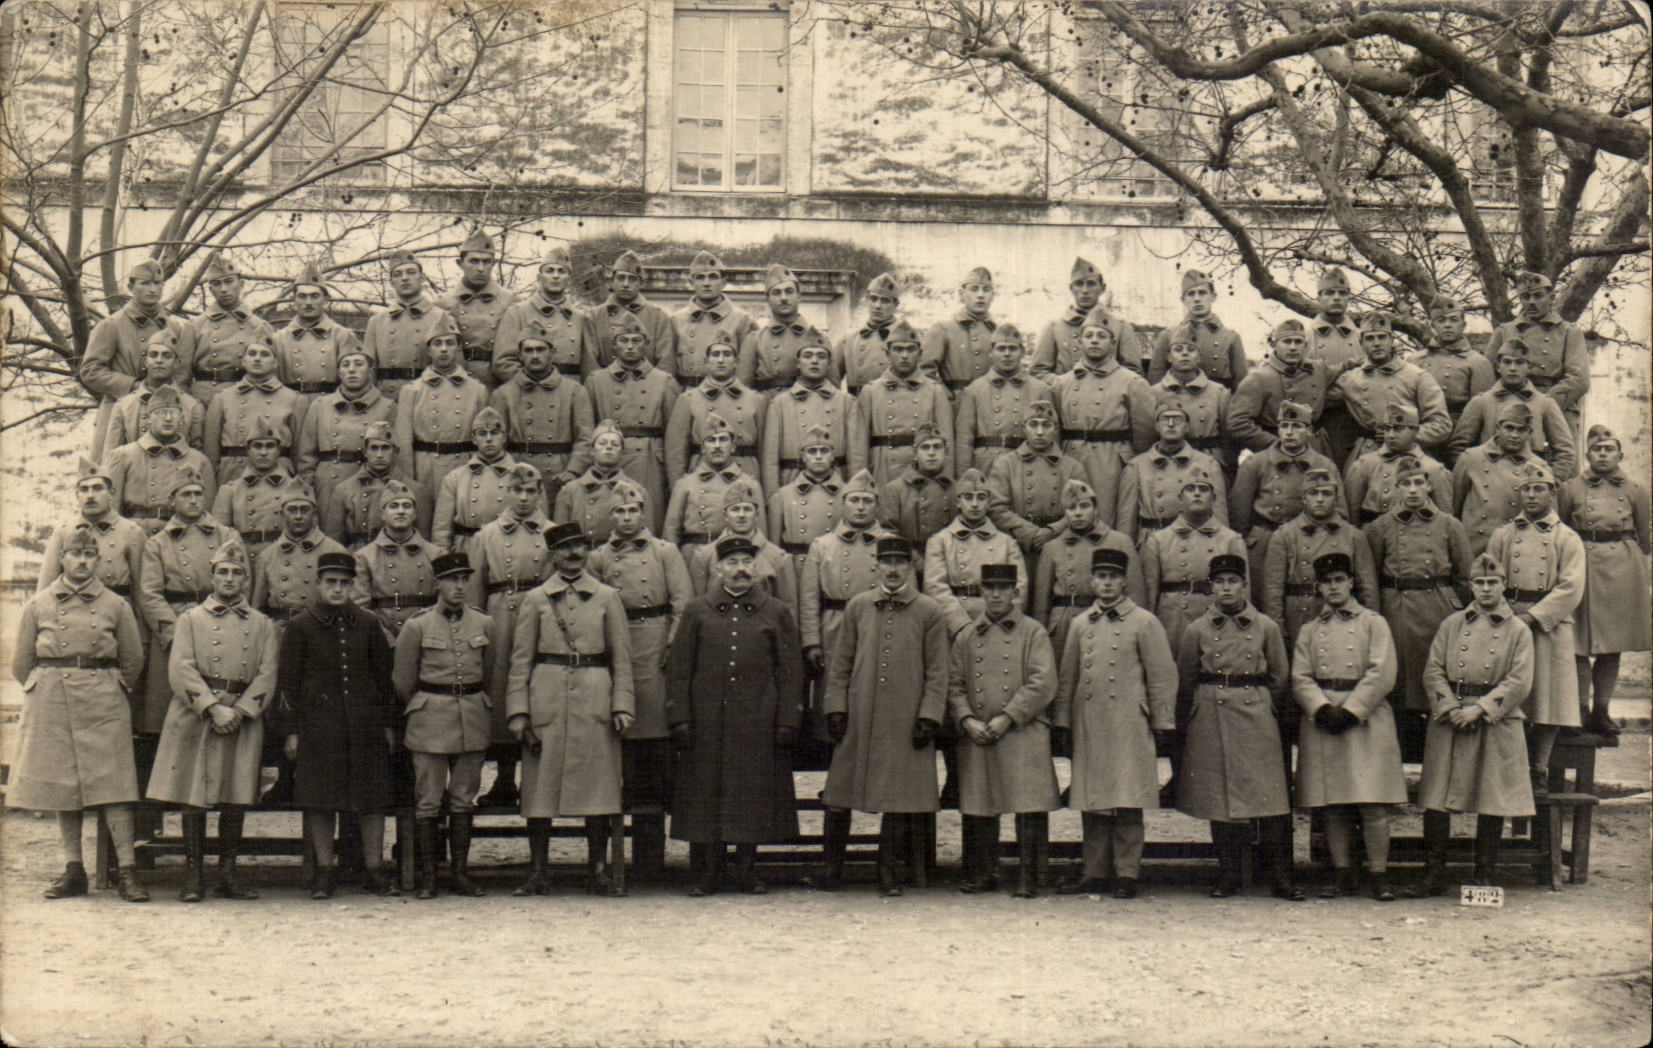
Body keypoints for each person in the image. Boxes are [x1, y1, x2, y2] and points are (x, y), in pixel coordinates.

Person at [8, 527, 150, 902]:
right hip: (52, 700)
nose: (83, 561)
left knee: (114, 785)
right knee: (63, 786)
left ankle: (128, 872)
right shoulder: (38, 604)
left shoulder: (116, 606)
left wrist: (105, 684)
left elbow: (133, 660)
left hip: (103, 698)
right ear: (63, 559)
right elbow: (21, 663)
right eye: (76, 554)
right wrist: (50, 682)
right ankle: (74, 870)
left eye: (90, 555)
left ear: (98, 560)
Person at [666, 535, 804, 895]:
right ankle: (709, 870)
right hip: (707, 719)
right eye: (732, 562)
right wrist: (680, 717)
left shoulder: (776, 612)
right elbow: (679, 668)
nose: (740, 569)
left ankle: (746, 868)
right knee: (708, 791)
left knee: (750, 793)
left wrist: (788, 719)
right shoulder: (697, 610)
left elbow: (791, 670)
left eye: (747, 562)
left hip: (757, 719)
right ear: (718, 569)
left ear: (757, 569)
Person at [506, 522, 636, 897]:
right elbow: (520, 660)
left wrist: (622, 703)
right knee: (539, 791)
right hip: (546, 696)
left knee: (599, 789)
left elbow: (622, 658)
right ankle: (538, 872)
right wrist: (518, 711)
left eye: (579, 546)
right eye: (564, 549)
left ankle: (597, 870)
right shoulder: (536, 599)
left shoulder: (608, 597)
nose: (573, 554)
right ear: (552, 555)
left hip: (596, 695)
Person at [147, 539, 278, 902]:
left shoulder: (263, 624)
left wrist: (241, 711)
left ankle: (228, 873)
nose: (230, 578)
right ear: (213, 576)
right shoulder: (190, 619)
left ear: (246, 580)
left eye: (237, 573)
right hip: (197, 716)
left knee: (236, 796)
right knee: (195, 797)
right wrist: (212, 707)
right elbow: (181, 669)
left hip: (243, 718)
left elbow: (268, 674)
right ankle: (193, 875)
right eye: (223, 571)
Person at [819, 536, 950, 896]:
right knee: (838, 794)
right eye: (886, 562)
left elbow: (939, 671)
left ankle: (889, 872)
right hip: (859, 716)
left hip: (905, 719)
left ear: (911, 567)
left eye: (900, 563)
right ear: (876, 565)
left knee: (899, 799)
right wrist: (836, 706)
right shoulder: (859, 607)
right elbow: (841, 662)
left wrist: (929, 714)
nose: (893, 569)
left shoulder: (929, 611)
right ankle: (832, 870)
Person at [1173, 554, 1303, 901]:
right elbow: (1186, 680)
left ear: (1244, 586)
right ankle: (1229, 876)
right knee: (1222, 800)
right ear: (1210, 588)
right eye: (1219, 582)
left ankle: (1282, 878)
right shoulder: (1196, 629)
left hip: (1256, 712)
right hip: (1212, 716)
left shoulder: (1265, 626)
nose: (1226, 588)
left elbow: (1280, 676)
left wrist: (1262, 705)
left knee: (1271, 798)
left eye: (1233, 581)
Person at [1054, 547, 1177, 899]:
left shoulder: (1144, 621)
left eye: (1113, 577)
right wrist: (1063, 722)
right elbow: (1067, 677)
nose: (1107, 583)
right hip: (1090, 722)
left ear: (1124, 581)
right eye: (1101, 577)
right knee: (1093, 800)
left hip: (1129, 723)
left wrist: (1162, 723)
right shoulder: (1080, 624)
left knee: (1127, 800)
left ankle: (1127, 873)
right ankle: (1094, 871)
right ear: (1092, 581)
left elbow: (1162, 676)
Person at [585, 480, 693, 884]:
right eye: (619, 512)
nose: (627, 518)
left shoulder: (665, 552)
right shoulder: (598, 558)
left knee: (652, 750)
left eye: (633, 511)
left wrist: (671, 646)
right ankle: (603, 859)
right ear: (609, 516)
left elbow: (683, 603)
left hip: (656, 648)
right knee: (612, 751)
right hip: (617, 644)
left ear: (644, 513)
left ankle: (651, 859)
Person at [1410, 553, 1536, 896]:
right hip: (1450, 719)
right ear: (1470, 586)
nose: (1484, 589)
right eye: (1478, 583)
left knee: (1491, 796)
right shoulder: (1452, 625)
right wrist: (1451, 707)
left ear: (1504, 585)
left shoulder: (1518, 630)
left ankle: (1484, 875)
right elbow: (1433, 670)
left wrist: (1479, 709)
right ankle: (1434, 874)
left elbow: (1519, 681)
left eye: (1492, 583)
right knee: (1436, 797)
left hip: (1494, 720)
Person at [277, 551, 401, 900]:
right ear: (318, 584)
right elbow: (288, 683)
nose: (337, 589)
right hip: (319, 729)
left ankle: (375, 870)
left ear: (353, 585)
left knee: (371, 799)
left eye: (344, 583)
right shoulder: (300, 626)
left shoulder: (367, 623)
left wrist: (388, 726)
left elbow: (384, 679)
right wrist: (292, 730)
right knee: (321, 800)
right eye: (330, 582)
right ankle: (325, 871)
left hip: (365, 728)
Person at [1291, 552, 1403, 901]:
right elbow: (1300, 675)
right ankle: (1341, 873)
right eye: (1326, 582)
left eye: (1339, 580)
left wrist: (1353, 710)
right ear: (1318, 587)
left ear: (1352, 582)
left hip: (1366, 719)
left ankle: (1379, 874)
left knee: (1372, 802)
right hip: (1324, 720)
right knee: (1334, 803)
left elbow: (1382, 671)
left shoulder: (1374, 623)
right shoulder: (1310, 629)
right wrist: (1321, 707)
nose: (1333, 587)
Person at [947, 563, 1060, 899]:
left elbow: (1042, 683)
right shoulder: (966, 635)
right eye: (989, 589)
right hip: (978, 731)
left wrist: (1009, 717)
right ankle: (981, 871)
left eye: (1003, 588)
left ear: (1015, 592)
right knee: (980, 803)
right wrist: (967, 719)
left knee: (1028, 804)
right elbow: (954, 684)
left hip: (1021, 729)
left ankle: (1032, 874)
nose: (996, 595)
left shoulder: (1034, 632)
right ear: (981, 592)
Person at [392, 551, 494, 899]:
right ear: (437, 584)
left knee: (464, 799)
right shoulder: (417, 625)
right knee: (429, 801)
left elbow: (491, 673)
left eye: (465, 579)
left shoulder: (483, 623)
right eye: (452, 579)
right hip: (430, 720)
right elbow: (403, 681)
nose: (460, 586)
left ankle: (460, 873)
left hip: (472, 718)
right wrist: (427, 705)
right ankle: (429, 875)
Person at [1484, 462, 1585, 796]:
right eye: (1525, 489)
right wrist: (1504, 615)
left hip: (1549, 626)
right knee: (1513, 695)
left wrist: (1534, 617)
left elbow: (1571, 587)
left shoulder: (1566, 538)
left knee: (1548, 698)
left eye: (1538, 488)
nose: (1530, 495)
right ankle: (1509, 767)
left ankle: (1539, 768)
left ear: (1551, 493)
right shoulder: (1503, 535)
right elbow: (1489, 577)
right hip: (1508, 620)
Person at [1363, 455, 1473, 761]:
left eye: (1418, 483)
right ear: (1396, 488)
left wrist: (1457, 614)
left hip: (1438, 608)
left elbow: (1465, 578)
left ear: (1429, 486)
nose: (1412, 490)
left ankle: (1440, 767)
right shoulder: (1380, 527)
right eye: (1405, 484)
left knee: (1438, 682)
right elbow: (1370, 577)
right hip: (1396, 609)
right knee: (1400, 688)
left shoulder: (1450, 525)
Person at [467, 463, 555, 810]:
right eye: (516, 491)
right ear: (506, 493)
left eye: (530, 491)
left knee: (537, 686)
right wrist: (475, 629)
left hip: (540, 613)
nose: (523, 498)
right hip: (499, 614)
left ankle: (536, 780)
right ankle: (504, 779)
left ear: (538, 494)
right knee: (502, 689)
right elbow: (475, 588)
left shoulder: (551, 532)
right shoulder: (486, 534)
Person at [1559, 426, 1651, 736]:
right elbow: (1560, 531)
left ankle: (1602, 710)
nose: (1603, 454)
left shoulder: (1636, 491)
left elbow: (1644, 537)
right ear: (1587, 454)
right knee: (1579, 644)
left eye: (1609, 449)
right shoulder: (1570, 489)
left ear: (1620, 455)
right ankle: (1579, 710)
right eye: (1597, 449)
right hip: (1581, 565)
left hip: (1622, 570)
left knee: (1612, 647)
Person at [139, 467, 242, 737]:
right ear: (172, 501)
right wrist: (176, 635)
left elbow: (242, 583)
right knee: (169, 709)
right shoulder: (157, 543)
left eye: (198, 494)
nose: (194, 500)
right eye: (186, 494)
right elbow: (150, 594)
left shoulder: (227, 536)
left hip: (219, 620)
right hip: (175, 627)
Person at [798, 470, 889, 749]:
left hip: (876, 625)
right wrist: (812, 642)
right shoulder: (823, 545)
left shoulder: (889, 542)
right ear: (843, 504)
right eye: (854, 500)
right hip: (834, 627)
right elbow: (809, 599)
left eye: (867, 501)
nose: (860, 507)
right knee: (835, 696)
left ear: (875, 505)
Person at [1050, 305, 1157, 528]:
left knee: (1109, 521)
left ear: (1113, 343)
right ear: (1080, 341)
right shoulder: (1062, 383)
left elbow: (1144, 434)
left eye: (1101, 336)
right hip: (1073, 458)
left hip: (1113, 464)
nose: (1094, 341)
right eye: (1089, 335)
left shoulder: (1131, 382)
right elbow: (1056, 432)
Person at [1228, 399, 1344, 603]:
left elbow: (1340, 513)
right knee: (1264, 600)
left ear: (1309, 430)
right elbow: (1239, 513)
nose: (1289, 432)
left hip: (1308, 541)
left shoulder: (1324, 465)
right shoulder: (1256, 463)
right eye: (1284, 426)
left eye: (1296, 426)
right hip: (1265, 541)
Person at [1030, 478, 1143, 666]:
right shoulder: (1052, 547)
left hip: (1108, 618)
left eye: (1084, 506)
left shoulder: (1119, 542)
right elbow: (1041, 602)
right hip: (1064, 624)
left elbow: (1135, 592)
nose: (1078, 513)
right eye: (1071, 508)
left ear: (1096, 509)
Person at [1261, 468, 1378, 649]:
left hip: (1343, 619)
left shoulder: (1354, 536)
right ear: (1304, 498)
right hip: (1299, 617)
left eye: (1326, 493)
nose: (1320, 499)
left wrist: (1370, 629)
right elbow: (1273, 592)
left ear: (1336, 498)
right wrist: (1278, 633)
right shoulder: (1284, 536)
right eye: (1313, 493)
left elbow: (1368, 591)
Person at [585, 311, 680, 531]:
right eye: (623, 340)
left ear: (646, 344)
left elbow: (674, 437)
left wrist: (672, 476)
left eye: (636, 341)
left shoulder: (664, 382)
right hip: (608, 460)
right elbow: (587, 431)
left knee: (648, 518)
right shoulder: (596, 381)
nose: (630, 346)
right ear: (614, 345)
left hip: (650, 462)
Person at [1141, 467, 1247, 656]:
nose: (1197, 493)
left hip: (1217, 619)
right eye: (1190, 489)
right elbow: (1150, 595)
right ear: (1180, 499)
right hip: (1173, 622)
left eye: (1203, 489)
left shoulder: (1231, 540)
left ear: (1214, 499)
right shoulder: (1158, 540)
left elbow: (1243, 595)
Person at [1327, 311, 1451, 465]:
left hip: (1409, 456)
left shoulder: (1417, 376)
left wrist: (1402, 436)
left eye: (1382, 337)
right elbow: (1317, 399)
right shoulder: (1350, 379)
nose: (1377, 343)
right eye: (1370, 338)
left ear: (1391, 340)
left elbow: (1441, 425)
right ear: (1361, 342)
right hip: (1367, 454)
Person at [81, 258, 176, 458]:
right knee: (112, 472)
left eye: (157, 283)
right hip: (119, 411)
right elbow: (90, 371)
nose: (152, 290)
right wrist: (132, 385)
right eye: (145, 283)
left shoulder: (174, 328)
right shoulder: (112, 325)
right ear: (132, 287)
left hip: (162, 413)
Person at [985, 400, 1089, 579]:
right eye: (1033, 425)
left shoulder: (1073, 468)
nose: (1040, 432)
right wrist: (1031, 534)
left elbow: (1085, 509)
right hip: (1018, 546)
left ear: (1056, 429)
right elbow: (996, 508)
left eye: (1046, 425)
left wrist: (1052, 531)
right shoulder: (1005, 464)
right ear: (1024, 428)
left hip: (1060, 545)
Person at [488, 334, 596, 502]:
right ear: (520, 356)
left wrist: (573, 471)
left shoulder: (574, 391)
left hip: (560, 474)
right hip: (519, 474)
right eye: (529, 350)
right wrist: (508, 473)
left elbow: (586, 437)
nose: (535, 356)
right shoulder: (503, 394)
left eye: (540, 349)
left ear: (552, 353)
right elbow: (496, 442)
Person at [1448, 337, 1575, 478]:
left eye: (1519, 363)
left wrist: (1551, 481)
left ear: (1529, 367)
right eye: (1507, 362)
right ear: (1497, 367)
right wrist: (1475, 478)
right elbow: (1458, 447)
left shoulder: (1545, 403)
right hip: (1490, 479)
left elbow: (1565, 450)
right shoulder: (1481, 402)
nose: (1513, 368)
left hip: (1530, 480)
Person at [925, 468, 1028, 639]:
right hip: (954, 628)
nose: (974, 504)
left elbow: (1019, 589)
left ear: (988, 502)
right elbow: (935, 587)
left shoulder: (1006, 543)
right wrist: (960, 625)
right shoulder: (940, 541)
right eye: (968, 497)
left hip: (996, 625)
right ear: (958, 502)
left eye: (981, 497)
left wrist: (1001, 622)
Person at [103, 385, 217, 536]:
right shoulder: (122, 456)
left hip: (180, 538)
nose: (168, 419)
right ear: (149, 419)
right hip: (135, 535)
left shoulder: (199, 461)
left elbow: (206, 516)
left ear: (182, 419)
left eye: (174, 413)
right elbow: (110, 511)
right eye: (161, 413)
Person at [395, 315, 491, 491]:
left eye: (450, 343)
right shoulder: (412, 391)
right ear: (429, 350)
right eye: (437, 344)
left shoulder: (477, 391)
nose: (444, 349)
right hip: (425, 469)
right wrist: (408, 481)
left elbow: (486, 441)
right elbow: (403, 442)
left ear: (458, 348)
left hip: (465, 467)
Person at [1485, 271, 1589, 433]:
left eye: (1538, 296)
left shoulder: (1569, 332)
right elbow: (1487, 373)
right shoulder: (1504, 331)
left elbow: (1578, 380)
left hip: (1555, 406)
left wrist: (1542, 404)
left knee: (1560, 453)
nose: (1531, 302)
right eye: (1526, 297)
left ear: (1551, 298)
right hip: (1510, 407)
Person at [174, 254, 279, 412]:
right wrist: (187, 408)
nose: (223, 289)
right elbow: (181, 377)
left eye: (229, 282)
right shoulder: (194, 326)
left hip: (245, 399)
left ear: (241, 284)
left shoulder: (260, 326)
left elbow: (271, 375)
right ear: (210, 289)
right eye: (217, 284)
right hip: (203, 401)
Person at [854, 321, 953, 488]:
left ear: (920, 353)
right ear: (887, 353)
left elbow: (947, 442)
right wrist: (859, 483)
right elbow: (859, 445)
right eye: (898, 349)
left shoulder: (935, 391)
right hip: (883, 469)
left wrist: (946, 483)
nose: (905, 356)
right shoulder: (870, 391)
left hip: (924, 470)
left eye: (910, 349)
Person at [1117, 400, 1228, 545]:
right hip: (1151, 541)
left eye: (1177, 420)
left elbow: (1219, 516)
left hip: (1195, 540)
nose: (1171, 424)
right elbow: (1127, 521)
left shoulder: (1208, 464)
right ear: (1156, 426)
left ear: (1187, 427)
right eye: (1165, 419)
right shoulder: (1136, 466)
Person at [294, 344, 396, 499]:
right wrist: (308, 489)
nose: (352, 370)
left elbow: (395, 455)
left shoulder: (387, 407)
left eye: (359, 364)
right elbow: (306, 455)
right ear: (339, 373)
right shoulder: (320, 405)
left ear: (370, 371)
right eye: (346, 365)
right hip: (328, 484)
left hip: (370, 484)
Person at [203, 335, 306, 487]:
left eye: (264, 355)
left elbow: (299, 452)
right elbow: (211, 452)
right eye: (252, 354)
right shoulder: (222, 398)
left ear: (275, 362)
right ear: (243, 361)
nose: (257, 359)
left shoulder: (294, 399)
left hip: (278, 476)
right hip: (233, 474)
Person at [761, 341, 862, 495]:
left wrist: (856, 491)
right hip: (791, 482)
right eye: (808, 356)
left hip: (836, 483)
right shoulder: (779, 403)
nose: (814, 361)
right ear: (798, 363)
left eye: (821, 356)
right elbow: (770, 460)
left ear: (829, 364)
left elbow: (856, 457)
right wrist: (772, 498)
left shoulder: (846, 402)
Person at [666, 332, 764, 488]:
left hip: (745, 474)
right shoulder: (688, 399)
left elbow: (765, 451)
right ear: (706, 361)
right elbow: (675, 453)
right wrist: (678, 488)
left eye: (726, 354)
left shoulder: (755, 399)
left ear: (736, 362)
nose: (720, 360)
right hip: (701, 476)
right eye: (715, 354)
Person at [662, 414, 767, 560]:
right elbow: (671, 535)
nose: (717, 446)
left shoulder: (750, 484)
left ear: (733, 446)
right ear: (703, 448)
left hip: (735, 556)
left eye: (723, 439)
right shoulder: (685, 484)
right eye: (711, 440)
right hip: (693, 558)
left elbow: (760, 535)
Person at [954, 323, 1053, 475]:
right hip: (986, 465)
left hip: (1027, 464)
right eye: (1001, 349)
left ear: (1023, 352)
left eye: (1013, 349)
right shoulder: (974, 390)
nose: (1007, 354)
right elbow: (964, 441)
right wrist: (964, 477)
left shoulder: (1040, 390)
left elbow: (1050, 439)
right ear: (990, 353)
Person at [432, 407, 533, 553]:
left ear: (504, 437)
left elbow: (534, 524)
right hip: (467, 549)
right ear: (474, 439)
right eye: (482, 434)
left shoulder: (524, 475)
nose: (489, 439)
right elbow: (441, 531)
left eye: (494, 433)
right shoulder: (455, 478)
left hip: (508, 548)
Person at [1227, 319, 1334, 456]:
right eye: (1287, 341)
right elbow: (1237, 423)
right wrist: (1276, 444)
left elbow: (1344, 369)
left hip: (1315, 448)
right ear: (1274, 344)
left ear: (1306, 345)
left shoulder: (1318, 369)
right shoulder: (1259, 378)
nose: (1293, 347)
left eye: (1298, 342)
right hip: (1277, 451)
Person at [351, 480, 442, 640]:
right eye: (394, 506)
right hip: (382, 639)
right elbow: (360, 608)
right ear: (383, 515)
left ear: (414, 514)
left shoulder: (436, 554)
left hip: (428, 638)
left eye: (406, 506)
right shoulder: (364, 557)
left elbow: (443, 603)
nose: (401, 511)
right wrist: (385, 639)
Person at [318, 420, 431, 548]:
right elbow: (335, 542)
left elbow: (422, 541)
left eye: (385, 448)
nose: (379, 455)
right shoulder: (343, 490)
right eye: (374, 448)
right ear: (365, 452)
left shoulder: (416, 490)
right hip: (357, 557)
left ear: (395, 452)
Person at [251, 482, 349, 627]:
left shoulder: (335, 551)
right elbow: (257, 608)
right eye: (292, 510)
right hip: (280, 631)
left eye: (304, 510)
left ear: (314, 513)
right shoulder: (267, 556)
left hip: (320, 629)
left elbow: (346, 603)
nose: (298, 516)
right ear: (282, 514)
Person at [362, 249, 454, 399]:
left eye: (411, 272)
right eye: (398, 274)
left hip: (427, 398)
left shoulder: (441, 317)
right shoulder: (377, 321)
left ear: (421, 278)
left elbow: (452, 367)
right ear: (391, 283)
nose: (405, 278)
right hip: (386, 399)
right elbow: (368, 370)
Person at [1031, 256, 1143, 378]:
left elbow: (1133, 373)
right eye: (1079, 284)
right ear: (1071, 288)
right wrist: (1063, 385)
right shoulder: (1054, 328)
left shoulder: (1120, 326)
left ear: (1102, 288)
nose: (1085, 290)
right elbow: (1038, 372)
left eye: (1091, 284)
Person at [687, 480, 796, 606]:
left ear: (757, 515)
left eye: (747, 509)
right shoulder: (704, 555)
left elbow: (787, 609)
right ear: (725, 516)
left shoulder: (778, 557)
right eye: (735, 509)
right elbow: (697, 607)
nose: (741, 515)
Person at [493, 244, 591, 384]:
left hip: (570, 392)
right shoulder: (518, 312)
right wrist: (532, 386)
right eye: (550, 271)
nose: (555, 276)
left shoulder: (580, 318)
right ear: (539, 278)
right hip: (531, 391)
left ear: (569, 279)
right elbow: (503, 362)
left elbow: (588, 366)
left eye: (561, 271)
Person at [1452, 399, 1539, 555]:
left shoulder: (1539, 467)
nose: (1514, 435)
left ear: (1529, 433)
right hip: (1474, 548)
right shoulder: (1471, 458)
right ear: (1498, 428)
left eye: (1521, 430)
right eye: (1509, 428)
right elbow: (1454, 508)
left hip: (1515, 550)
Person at [1343, 403, 1453, 524]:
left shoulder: (1433, 469)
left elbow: (1445, 521)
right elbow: (1351, 515)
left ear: (1415, 431)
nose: (1390, 435)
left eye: (1398, 429)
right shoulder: (1364, 465)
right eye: (1387, 428)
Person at [436, 229, 517, 388]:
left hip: (498, 383)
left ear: (493, 264)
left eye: (486, 262)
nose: (480, 268)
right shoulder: (444, 303)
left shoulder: (510, 301)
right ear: (460, 264)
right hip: (457, 383)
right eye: (474, 261)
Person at [767, 423, 846, 581]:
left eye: (824, 451)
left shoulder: (847, 493)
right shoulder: (783, 495)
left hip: (832, 566)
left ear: (833, 455)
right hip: (797, 569)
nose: (818, 456)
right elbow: (775, 550)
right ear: (803, 456)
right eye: (812, 451)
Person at [272, 262, 360, 405]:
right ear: (293, 300)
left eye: (314, 296)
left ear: (326, 300)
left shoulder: (342, 336)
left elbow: (354, 381)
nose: (308, 302)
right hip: (290, 406)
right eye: (302, 296)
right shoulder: (279, 339)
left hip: (330, 407)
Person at [666, 250, 755, 389]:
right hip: (686, 394)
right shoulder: (676, 320)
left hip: (726, 394)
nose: (706, 283)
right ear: (691, 282)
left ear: (723, 282)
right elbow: (668, 368)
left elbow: (746, 371)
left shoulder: (741, 320)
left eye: (713, 277)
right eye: (700, 277)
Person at [211, 420, 298, 560]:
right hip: (245, 560)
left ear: (279, 450)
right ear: (247, 450)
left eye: (269, 446)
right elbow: (218, 538)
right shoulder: (229, 491)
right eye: (257, 446)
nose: (263, 452)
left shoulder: (294, 489)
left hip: (283, 560)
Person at [1147, 269, 1248, 390]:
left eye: (1202, 293)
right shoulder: (1168, 336)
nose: (1197, 299)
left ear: (1213, 297)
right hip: (1176, 403)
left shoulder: (1230, 338)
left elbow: (1241, 386)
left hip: (1216, 404)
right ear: (1183, 300)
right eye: (1191, 294)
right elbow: (1155, 382)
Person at [554, 421, 650, 547]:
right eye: (602, 443)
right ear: (592, 451)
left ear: (622, 453)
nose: (609, 447)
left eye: (615, 444)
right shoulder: (569, 491)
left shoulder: (638, 491)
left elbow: (645, 541)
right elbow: (560, 544)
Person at [108, 327, 206, 450]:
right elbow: (111, 458)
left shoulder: (192, 407)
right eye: (153, 355)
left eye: (167, 356)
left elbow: (197, 459)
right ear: (146, 361)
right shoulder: (124, 406)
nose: (159, 361)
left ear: (176, 363)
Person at [739, 264, 830, 394]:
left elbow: (831, 391)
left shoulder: (820, 339)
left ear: (799, 296)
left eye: (789, 291)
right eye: (776, 293)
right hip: (768, 408)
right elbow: (743, 389)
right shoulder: (754, 340)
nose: (783, 298)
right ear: (767, 300)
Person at [582, 249, 676, 375]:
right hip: (606, 388)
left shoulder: (658, 317)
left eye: (632, 279)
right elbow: (589, 362)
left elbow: (666, 362)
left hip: (647, 387)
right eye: (621, 278)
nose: (626, 284)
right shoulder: (594, 317)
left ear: (641, 283)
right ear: (611, 282)